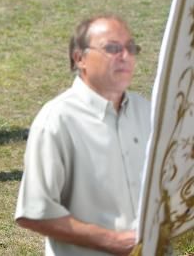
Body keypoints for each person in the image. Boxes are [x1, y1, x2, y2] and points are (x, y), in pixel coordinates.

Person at [15, 16, 148, 256]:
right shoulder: (57, 120)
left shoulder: (147, 112)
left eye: (130, 48)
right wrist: (113, 241)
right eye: (112, 48)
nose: (125, 56)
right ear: (80, 58)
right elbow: (34, 212)